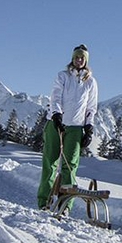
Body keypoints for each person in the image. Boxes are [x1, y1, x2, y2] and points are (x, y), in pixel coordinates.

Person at [37, 45, 98, 208]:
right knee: (50, 163)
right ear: (72, 59)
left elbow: (91, 107)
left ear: (86, 61)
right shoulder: (62, 76)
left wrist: (89, 128)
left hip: (76, 127)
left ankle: (65, 205)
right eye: (77, 57)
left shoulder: (91, 82)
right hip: (56, 124)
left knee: (69, 166)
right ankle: (44, 201)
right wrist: (56, 114)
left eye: (82, 58)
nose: (79, 60)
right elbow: (55, 96)